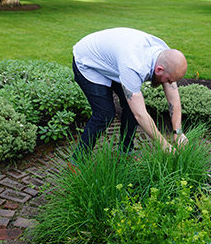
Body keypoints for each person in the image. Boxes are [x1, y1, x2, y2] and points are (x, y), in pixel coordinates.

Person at [71, 27, 188, 166]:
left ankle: (125, 152)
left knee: (130, 106)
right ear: (159, 70)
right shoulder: (134, 66)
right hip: (88, 62)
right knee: (104, 115)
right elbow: (140, 114)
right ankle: (76, 162)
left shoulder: (165, 54)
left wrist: (178, 132)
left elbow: (173, 98)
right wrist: (164, 146)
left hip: (115, 60)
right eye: (168, 80)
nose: (169, 84)